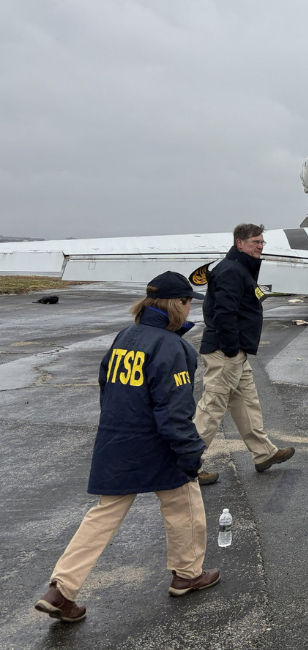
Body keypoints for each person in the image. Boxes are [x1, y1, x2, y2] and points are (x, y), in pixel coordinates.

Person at [35, 272, 219, 623]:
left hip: (116, 439)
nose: (189, 307)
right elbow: (175, 411)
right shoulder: (172, 347)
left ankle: (61, 589)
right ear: (176, 305)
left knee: (103, 515)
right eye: (187, 302)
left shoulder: (125, 336)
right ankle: (187, 573)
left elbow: (106, 385)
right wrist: (190, 453)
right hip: (156, 444)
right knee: (184, 501)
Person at [193, 224, 293, 485]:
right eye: (254, 242)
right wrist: (229, 348)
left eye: (261, 242)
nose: (259, 246)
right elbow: (223, 313)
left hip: (236, 352)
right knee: (212, 408)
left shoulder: (240, 268)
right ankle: (186, 466)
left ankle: (264, 454)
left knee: (247, 402)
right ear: (239, 243)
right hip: (226, 352)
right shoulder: (231, 271)